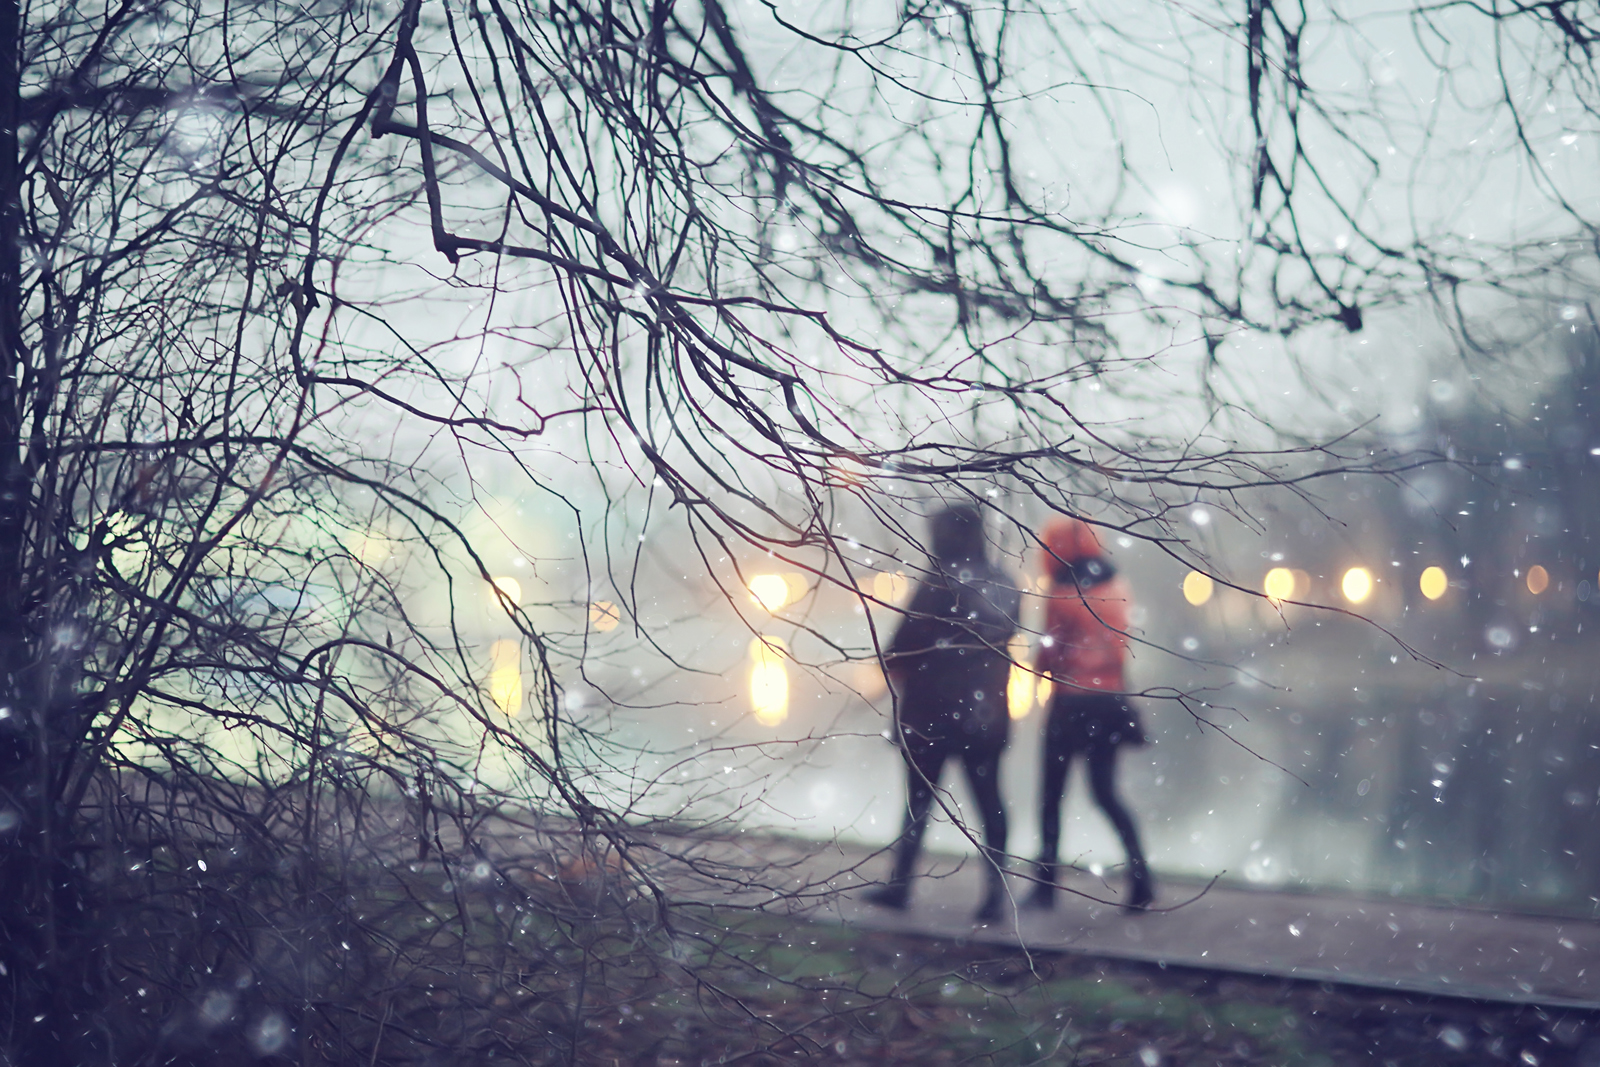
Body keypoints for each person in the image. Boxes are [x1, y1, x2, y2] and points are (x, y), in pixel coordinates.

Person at [864, 504, 1022, 922]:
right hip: (985, 714)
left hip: (930, 715)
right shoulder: (1006, 583)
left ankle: (900, 887)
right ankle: (994, 897)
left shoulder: (937, 584)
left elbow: (900, 648)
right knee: (991, 804)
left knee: (918, 803)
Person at [1027, 517, 1154, 911]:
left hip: (1070, 701)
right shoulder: (1118, 588)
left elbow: (1051, 651)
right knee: (1106, 793)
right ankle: (1141, 877)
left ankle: (1046, 886)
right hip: (1110, 701)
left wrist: (1036, 669)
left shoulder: (1061, 594)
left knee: (1051, 796)